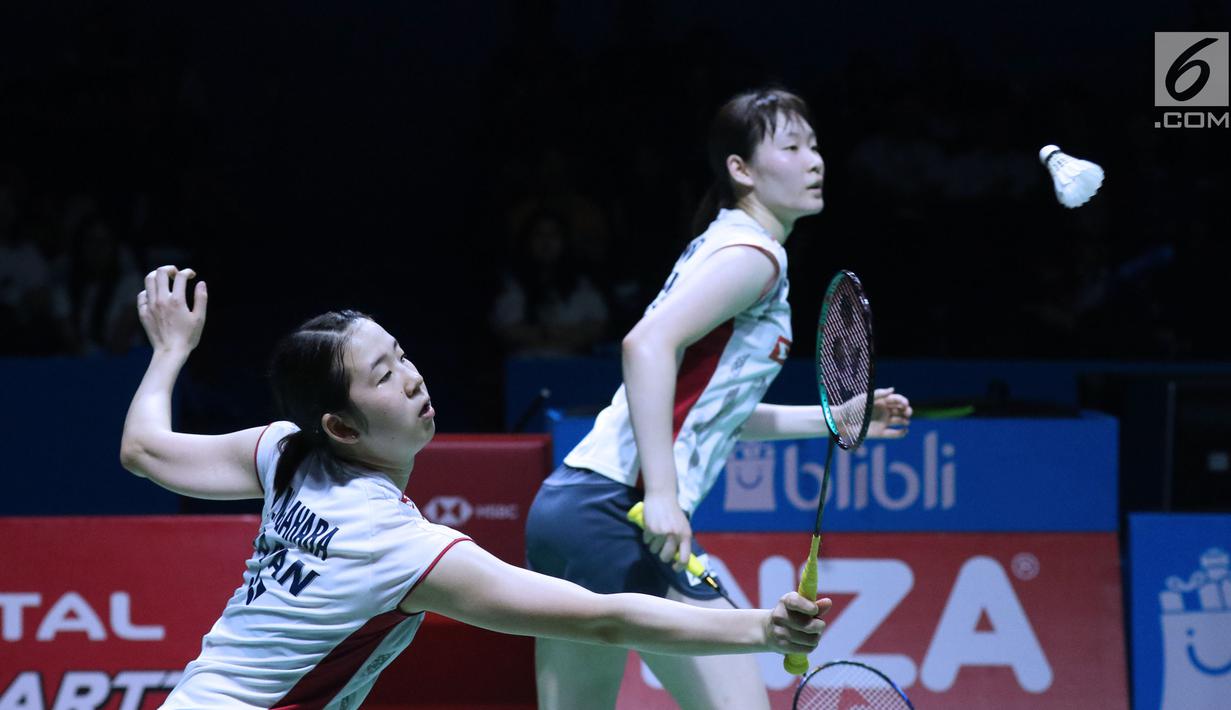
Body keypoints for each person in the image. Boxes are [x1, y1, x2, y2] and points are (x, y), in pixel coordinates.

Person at [119, 264, 829, 709]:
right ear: (339, 426)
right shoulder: (394, 545)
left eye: (400, 355)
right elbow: (602, 618)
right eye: (382, 376)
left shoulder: (283, 454)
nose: (412, 377)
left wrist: (170, 353)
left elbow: (143, 450)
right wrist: (759, 628)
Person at [524, 88, 914, 710]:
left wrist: (834, 418)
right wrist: (662, 494)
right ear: (741, 170)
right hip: (617, 513)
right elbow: (646, 345)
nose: (815, 161)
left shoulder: (727, 244)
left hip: (580, 510)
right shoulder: (755, 256)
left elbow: (713, 413)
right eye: (791, 147)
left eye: (814, 146)